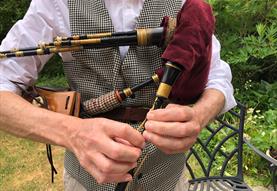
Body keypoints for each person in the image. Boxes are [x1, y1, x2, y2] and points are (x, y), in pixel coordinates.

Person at [0, 0, 236, 190]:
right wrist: (72, 133)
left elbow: (218, 76)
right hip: (84, 182)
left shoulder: (187, 4)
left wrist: (198, 116)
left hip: (169, 181)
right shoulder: (55, 3)